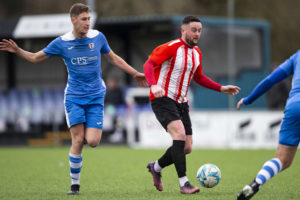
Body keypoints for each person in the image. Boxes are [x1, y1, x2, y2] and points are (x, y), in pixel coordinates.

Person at [0, 3, 148, 195]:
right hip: (74, 98)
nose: (88, 23)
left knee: (93, 141)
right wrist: (18, 50)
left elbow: (113, 58)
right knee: (78, 140)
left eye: (89, 19)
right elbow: (36, 58)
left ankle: (85, 133)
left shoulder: (98, 37)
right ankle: (75, 186)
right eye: (84, 19)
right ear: (73, 20)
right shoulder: (62, 43)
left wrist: (135, 72)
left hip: (95, 97)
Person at [143, 15, 240, 194]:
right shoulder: (171, 47)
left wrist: (221, 88)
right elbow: (149, 64)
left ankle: (155, 167)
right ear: (183, 30)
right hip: (162, 98)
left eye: (199, 31)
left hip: (182, 102)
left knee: (186, 147)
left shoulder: (197, 53)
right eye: (194, 30)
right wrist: (153, 84)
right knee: (179, 135)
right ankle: (184, 183)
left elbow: (199, 77)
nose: (197, 34)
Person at [236, 51, 300, 199]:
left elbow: (269, 81)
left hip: (294, 107)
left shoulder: (297, 56)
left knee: (283, 159)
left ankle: (255, 184)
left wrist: (248, 99)